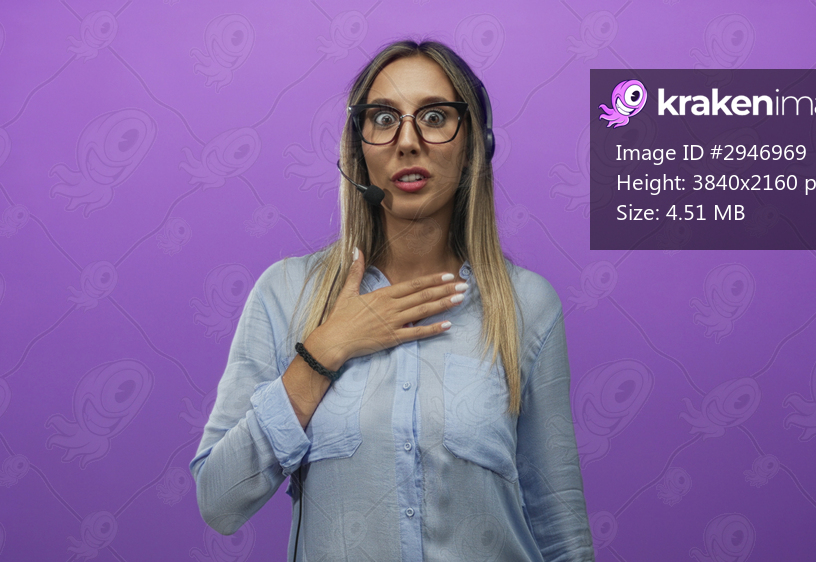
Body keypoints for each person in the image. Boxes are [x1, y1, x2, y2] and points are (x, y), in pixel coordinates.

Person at [189, 39, 594, 561]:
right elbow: (219, 501)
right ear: (358, 149)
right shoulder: (285, 294)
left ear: (476, 144)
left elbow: (561, 533)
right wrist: (323, 351)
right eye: (383, 119)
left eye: (434, 117)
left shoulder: (528, 305)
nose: (407, 141)